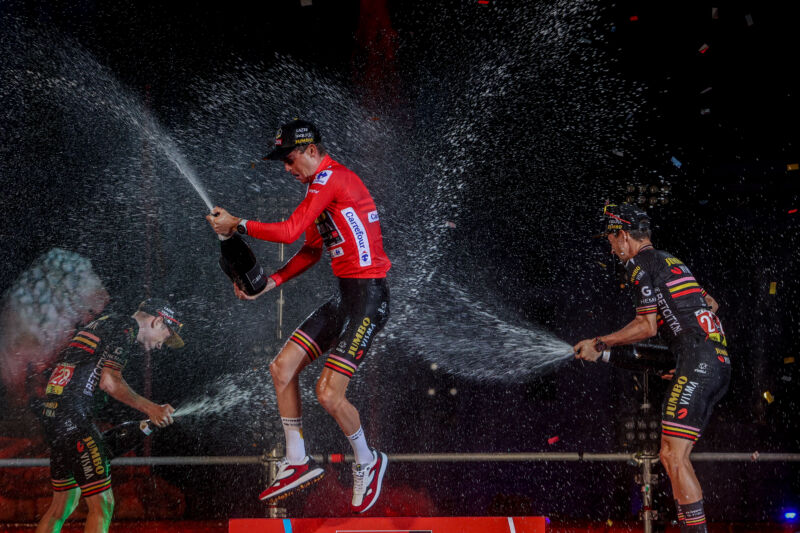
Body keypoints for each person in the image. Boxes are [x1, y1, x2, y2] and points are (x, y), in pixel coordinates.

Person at [206, 119, 391, 513]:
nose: (287, 169)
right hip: (345, 297)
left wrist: (237, 223)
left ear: (310, 151)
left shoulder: (332, 179)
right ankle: (297, 461)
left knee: (327, 392)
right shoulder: (316, 188)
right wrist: (270, 283)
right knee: (282, 368)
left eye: (289, 160)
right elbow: (309, 249)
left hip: (370, 299)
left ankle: (368, 460)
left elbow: (290, 231)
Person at [573, 204, 729, 533]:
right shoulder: (672, 262)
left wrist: (600, 342)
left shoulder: (639, 265)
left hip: (698, 360)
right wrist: (686, 357)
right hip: (714, 360)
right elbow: (710, 304)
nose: (611, 247)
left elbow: (646, 327)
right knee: (675, 456)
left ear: (624, 235)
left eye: (611, 240)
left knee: (672, 457)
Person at [36, 298, 184, 533]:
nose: (160, 346)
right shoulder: (127, 327)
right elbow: (109, 381)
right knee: (103, 506)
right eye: (165, 338)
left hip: (54, 417)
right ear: (158, 322)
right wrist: (152, 408)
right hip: (74, 419)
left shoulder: (104, 322)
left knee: (61, 507)